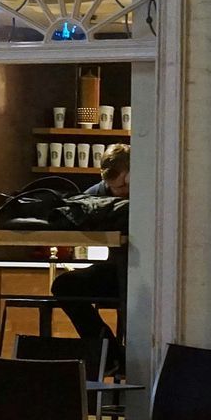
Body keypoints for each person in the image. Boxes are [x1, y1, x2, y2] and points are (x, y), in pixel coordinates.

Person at [51, 144, 128, 372]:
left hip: (146, 274)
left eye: (124, 184)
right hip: (117, 271)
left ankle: (123, 360)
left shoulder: (149, 191)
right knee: (65, 285)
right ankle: (109, 352)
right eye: (112, 186)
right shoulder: (97, 192)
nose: (118, 191)